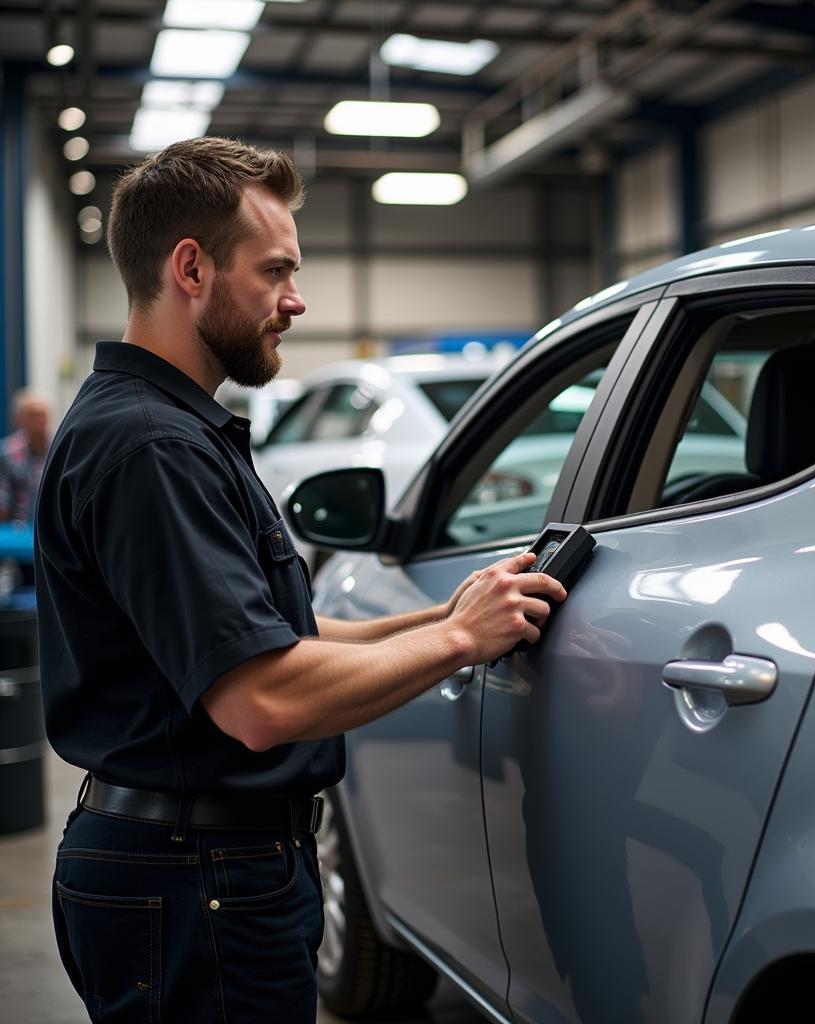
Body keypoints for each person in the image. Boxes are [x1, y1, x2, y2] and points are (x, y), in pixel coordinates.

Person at [34, 137, 565, 1024]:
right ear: (192, 268)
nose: (296, 298)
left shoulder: (167, 429)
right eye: (274, 270)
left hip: (192, 869)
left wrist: (445, 614)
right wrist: (459, 642)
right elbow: (262, 701)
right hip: (194, 880)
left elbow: (281, 643)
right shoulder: (153, 449)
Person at [0, 388, 52, 523]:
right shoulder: (7, 452)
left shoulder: (60, 448)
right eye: (33, 415)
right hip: (18, 532)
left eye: (43, 414)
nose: (40, 420)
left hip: (52, 530)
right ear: (19, 419)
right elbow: (2, 501)